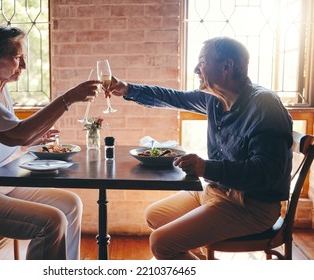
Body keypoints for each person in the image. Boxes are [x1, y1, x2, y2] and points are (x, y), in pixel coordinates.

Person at [108, 37, 293, 260]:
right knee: (154, 215)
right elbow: (173, 97)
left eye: (202, 62)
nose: (196, 69)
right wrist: (128, 89)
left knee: (161, 243)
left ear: (227, 67)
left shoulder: (265, 105)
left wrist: (206, 168)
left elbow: (266, 173)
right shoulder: (214, 99)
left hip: (251, 205)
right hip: (216, 191)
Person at [0, 25, 101, 260]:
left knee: (71, 203)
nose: (23, 66)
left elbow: (8, 138)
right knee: (51, 222)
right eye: (18, 58)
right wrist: (68, 98)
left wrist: (35, 138)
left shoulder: (1, 92)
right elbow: (18, 134)